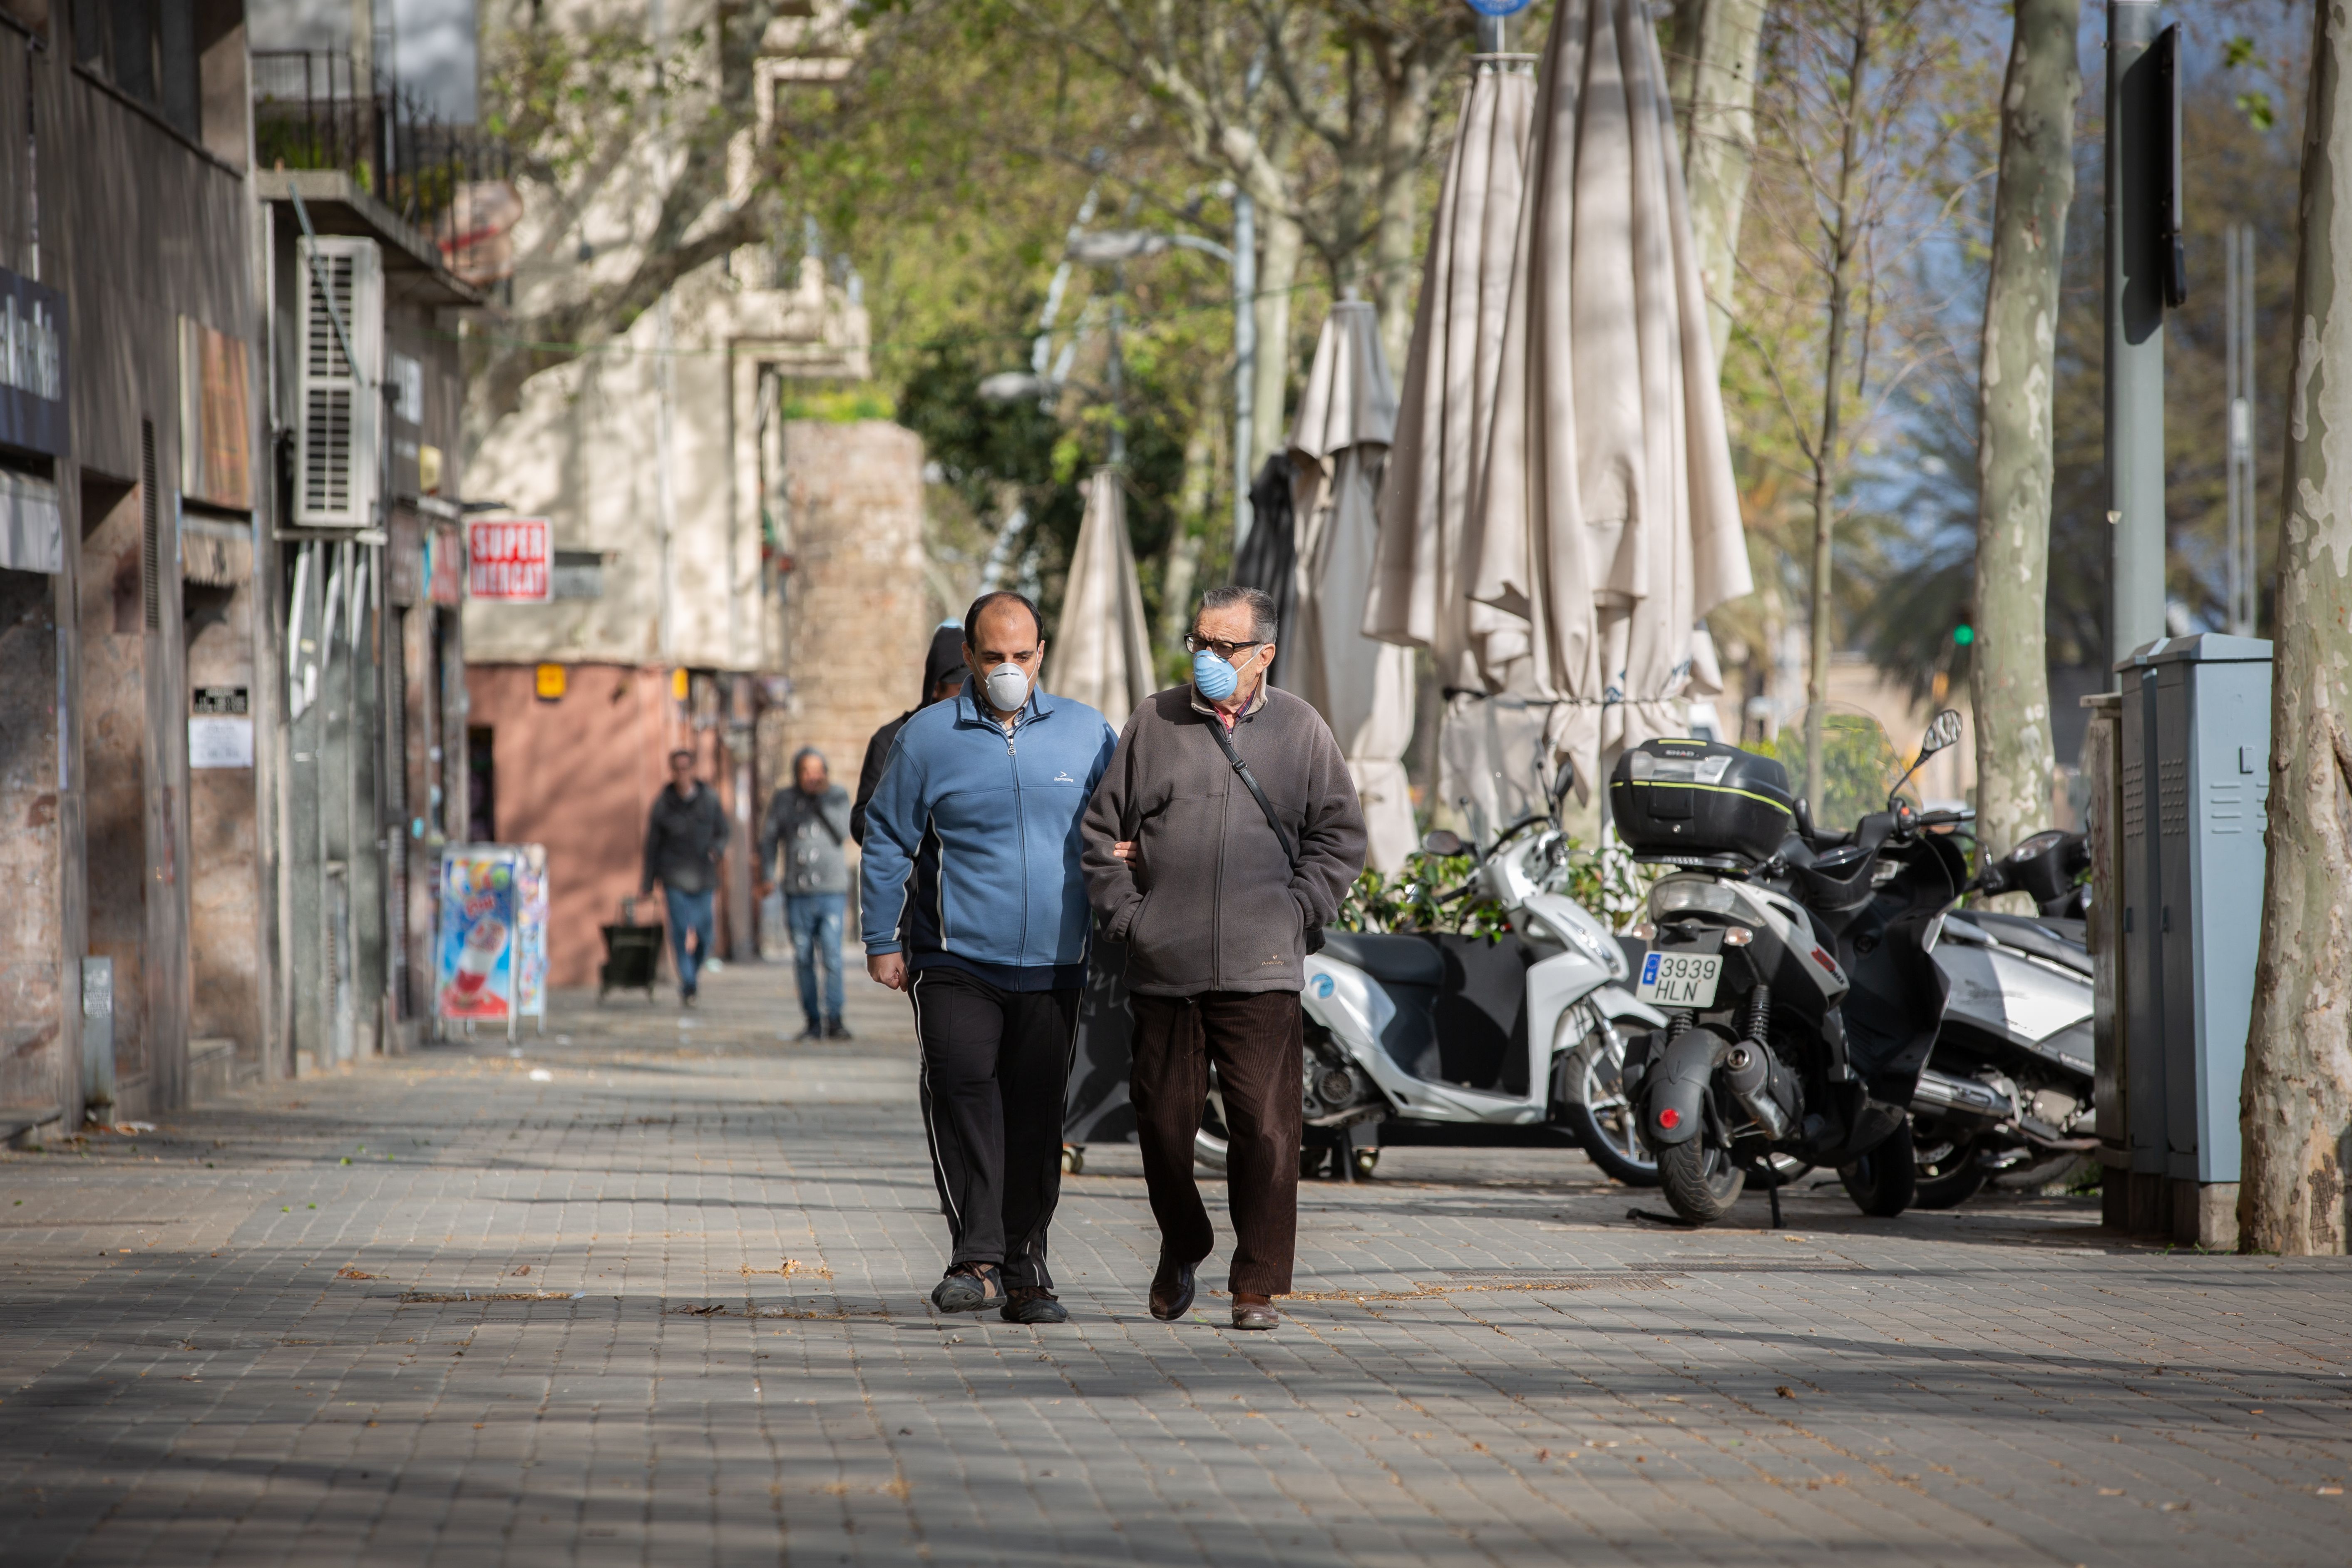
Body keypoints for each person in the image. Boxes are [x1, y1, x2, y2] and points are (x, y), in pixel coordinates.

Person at [1081, 585, 1366, 1332]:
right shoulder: (1156, 719)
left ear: (1263, 653)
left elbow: (1340, 837)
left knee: (1267, 1132)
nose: (1207, 658)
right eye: (1198, 643)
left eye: (1224, 646)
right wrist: (1132, 918)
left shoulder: (1302, 730)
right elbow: (1099, 833)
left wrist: (1298, 908)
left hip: (1262, 966)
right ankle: (1184, 1241)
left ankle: (1256, 1285)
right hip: (1163, 965)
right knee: (1164, 1126)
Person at [860, 591, 1118, 1325]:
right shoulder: (927, 737)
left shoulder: (1087, 732)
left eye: (1022, 655)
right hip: (953, 957)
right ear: (968, 656)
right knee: (963, 1089)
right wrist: (883, 940)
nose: (1009, 669)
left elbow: (1124, 820)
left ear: (1042, 654)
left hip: (1056, 962)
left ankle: (1026, 1264)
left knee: (1037, 1114)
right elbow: (887, 840)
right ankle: (973, 1258)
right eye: (994, 656)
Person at [758, 747, 853, 1041]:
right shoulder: (784, 799)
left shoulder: (837, 796)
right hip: (797, 891)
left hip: (831, 891)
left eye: (817, 771)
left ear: (825, 773)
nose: (812, 777)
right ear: (796, 773)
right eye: (806, 771)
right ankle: (812, 1020)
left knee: (832, 956)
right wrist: (767, 874)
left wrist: (822, 799)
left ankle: (835, 1019)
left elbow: (843, 831)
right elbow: (769, 838)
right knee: (802, 957)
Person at [852, 622, 971, 846]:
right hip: (911, 880)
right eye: (959, 691)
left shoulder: (980, 737)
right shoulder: (889, 740)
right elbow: (861, 824)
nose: (967, 700)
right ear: (936, 688)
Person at [642, 747, 732, 1006]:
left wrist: (718, 849)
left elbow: (724, 831)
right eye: (677, 769)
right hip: (674, 878)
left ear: (693, 770)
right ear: (672, 771)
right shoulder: (663, 804)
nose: (682, 774)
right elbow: (652, 846)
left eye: (686, 768)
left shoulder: (709, 799)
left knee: (705, 935)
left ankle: (692, 972)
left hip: (704, 877)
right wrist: (647, 884)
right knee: (680, 931)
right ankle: (689, 982)